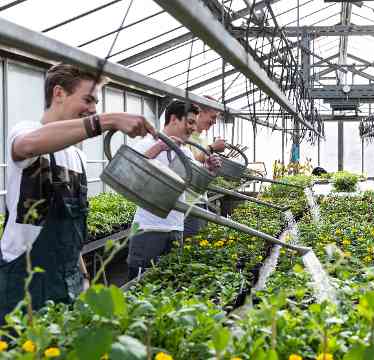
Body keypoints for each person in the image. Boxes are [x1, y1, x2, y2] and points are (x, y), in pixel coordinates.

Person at [0, 64, 155, 322]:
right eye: (88, 99)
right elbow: (27, 145)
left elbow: (71, 232)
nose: (93, 108)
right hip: (24, 281)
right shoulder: (25, 131)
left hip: (68, 281)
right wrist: (108, 120)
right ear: (58, 93)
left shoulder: (78, 158)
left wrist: (83, 278)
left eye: (96, 102)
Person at [127, 101, 221, 280]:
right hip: (148, 229)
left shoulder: (185, 152)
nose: (194, 128)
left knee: (169, 286)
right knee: (139, 286)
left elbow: (194, 188)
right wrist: (160, 147)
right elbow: (132, 175)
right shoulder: (147, 143)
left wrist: (209, 170)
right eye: (190, 122)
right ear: (173, 120)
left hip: (176, 229)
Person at [184, 96, 226, 238]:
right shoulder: (186, 135)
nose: (214, 122)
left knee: (199, 241)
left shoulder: (202, 138)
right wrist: (212, 148)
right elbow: (186, 164)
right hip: (188, 202)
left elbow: (202, 168)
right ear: (200, 111)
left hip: (200, 198)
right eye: (212, 117)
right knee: (191, 244)